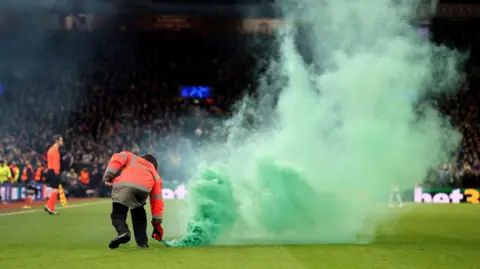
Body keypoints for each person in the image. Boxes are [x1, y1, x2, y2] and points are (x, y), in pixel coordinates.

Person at [103, 152, 164, 249]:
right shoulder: (155, 173)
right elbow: (157, 200)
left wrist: (109, 177)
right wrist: (157, 224)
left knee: (118, 214)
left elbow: (117, 158)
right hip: (143, 189)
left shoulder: (131, 157)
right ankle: (142, 243)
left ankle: (124, 233)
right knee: (139, 214)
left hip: (124, 185)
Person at [44, 135, 63, 215]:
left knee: (54, 190)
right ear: (57, 141)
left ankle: (51, 208)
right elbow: (55, 163)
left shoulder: (51, 149)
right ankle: (48, 206)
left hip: (50, 170)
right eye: (61, 140)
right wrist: (57, 173)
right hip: (53, 171)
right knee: (55, 190)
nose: (62, 142)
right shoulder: (54, 150)